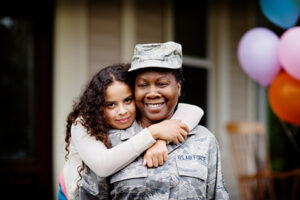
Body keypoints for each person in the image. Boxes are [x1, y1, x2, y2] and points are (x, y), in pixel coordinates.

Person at [79, 41, 229, 199]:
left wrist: (160, 139)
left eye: (162, 84)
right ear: (134, 90)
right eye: (143, 85)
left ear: (178, 88)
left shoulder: (205, 140)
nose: (152, 93)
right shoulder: (109, 142)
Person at [60, 63, 204, 200]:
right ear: (97, 107)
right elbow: (102, 166)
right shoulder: (84, 123)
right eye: (111, 104)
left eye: (128, 100)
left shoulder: (138, 112)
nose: (122, 111)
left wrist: (162, 141)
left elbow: (194, 111)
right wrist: (153, 133)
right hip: (72, 193)